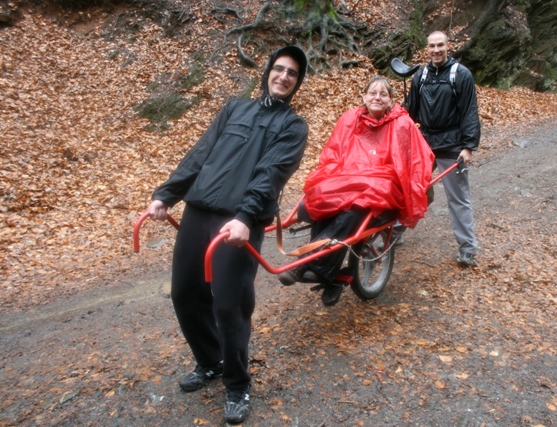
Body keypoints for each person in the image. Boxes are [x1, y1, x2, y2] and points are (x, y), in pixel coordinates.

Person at [146, 46, 308, 425]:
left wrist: (247, 217)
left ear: (298, 82)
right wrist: (165, 195)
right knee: (185, 293)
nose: (283, 76)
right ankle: (210, 361)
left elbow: (270, 175)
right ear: (268, 71)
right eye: (279, 69)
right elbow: (200, 154)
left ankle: (237, 385)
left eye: (292, 73)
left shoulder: (293, 127)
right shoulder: (236, 108)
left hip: (238, 225)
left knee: (229, 305)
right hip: (198, 213)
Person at [278, 76, 435, 305]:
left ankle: (306, 264)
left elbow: (413, 162)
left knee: (354, 210)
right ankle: (327, 271)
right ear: (364, 96)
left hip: (382, 185)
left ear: (391, 100)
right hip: (350, 178)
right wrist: (332, 177)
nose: (377, 98)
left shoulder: (402, 124)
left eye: (383, 94)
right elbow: (334, 153)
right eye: (372, 93)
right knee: (324, 197)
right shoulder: (350, 119)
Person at [406, 30, 481, 267]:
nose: (436, 50)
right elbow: (411, 111)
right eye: (432, 46)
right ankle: (392, 233)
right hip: (425, 142)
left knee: (458, 198)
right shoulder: (421, 76)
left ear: (448, 46)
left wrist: (468, 146)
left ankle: (467, 248)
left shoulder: (462, 75)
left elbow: (470, 111)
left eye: (440, 45)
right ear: (426, 48)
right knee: (409, 189)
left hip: (452, 145)